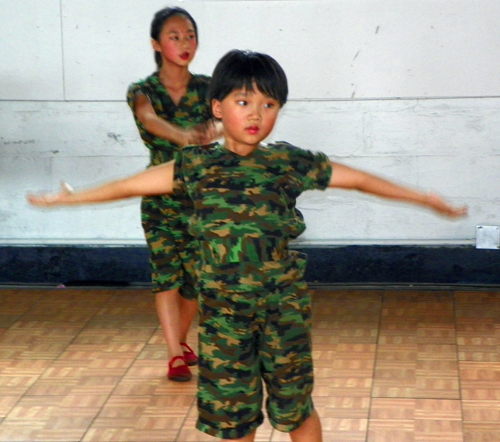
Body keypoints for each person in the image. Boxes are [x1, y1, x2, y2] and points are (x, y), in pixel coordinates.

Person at [28, 49, 467, 442]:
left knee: (295, 412)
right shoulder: (195, 165)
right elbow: (128, 186)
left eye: (269, 104)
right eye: (244, 102)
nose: (257, 114)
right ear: (217, 107)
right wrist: (71, 197)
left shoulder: (287, 162)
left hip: (282, 311)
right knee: (232, 422)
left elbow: (358, 179)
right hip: (222, 319)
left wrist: (422, 197)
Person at [126, 6, 220, 381]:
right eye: (175, 36)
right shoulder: (142, 91)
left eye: (190, 36)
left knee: (196, 278)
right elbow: (149, 120)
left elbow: (221, 119)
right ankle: (174, 354)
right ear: (156, 44)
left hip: (201, 196)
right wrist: (184, 136)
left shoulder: (210, 87)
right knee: (165, 276)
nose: (185, 43)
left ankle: (178, 341)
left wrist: (214, 128)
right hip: (159, 196)